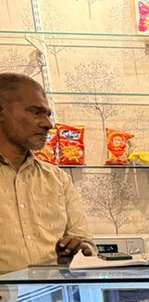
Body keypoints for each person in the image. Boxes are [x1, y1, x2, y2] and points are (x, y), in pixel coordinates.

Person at [0, 73, 93, 274]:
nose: (48, 124)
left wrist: (75, 253)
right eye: (36, 112)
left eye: (47, 114)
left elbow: (86, 244)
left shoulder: (57, 179)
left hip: (55, 300)